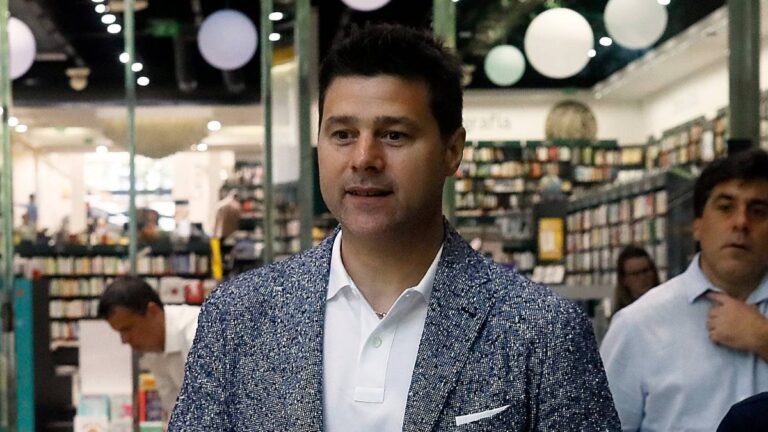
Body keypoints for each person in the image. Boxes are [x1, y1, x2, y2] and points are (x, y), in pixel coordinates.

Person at [169, 24, 619, 431]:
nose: (364, 158)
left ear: (452, 151)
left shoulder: (542, 330)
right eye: (343, 135)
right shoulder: (238, 317)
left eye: (394, 135)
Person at [601, 148, 768, 431]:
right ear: (698, 226)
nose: (741, 222)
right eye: (725, 207)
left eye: (758, 211)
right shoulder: (637, 325)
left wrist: (763, 338)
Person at [97, 276, 200, 418]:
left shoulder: (199, 335)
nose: (124, 340)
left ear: (152, 311)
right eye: (119, 332)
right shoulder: (153, 348)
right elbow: (176, 408)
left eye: (128, 329)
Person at [613, 245, 660, 315]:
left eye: (645, 271)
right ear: (624, 280)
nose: (642, 277)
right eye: (635, 274)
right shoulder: (622, 316)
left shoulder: (667, 303)